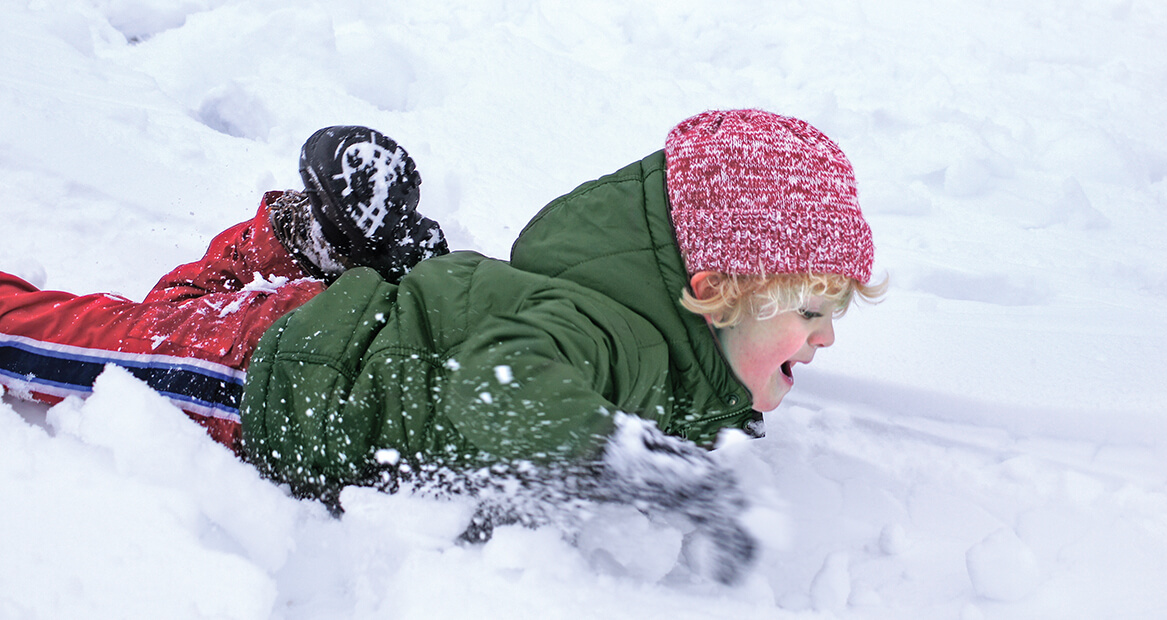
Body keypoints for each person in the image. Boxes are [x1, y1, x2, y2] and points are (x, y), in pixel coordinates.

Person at [0, 110, 883, 584]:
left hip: (347, 335)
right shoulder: (607, 334)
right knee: (88, 353)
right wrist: (643, 468)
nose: (825, 334)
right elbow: (504, 390)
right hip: (283, 376)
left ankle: (303, 242)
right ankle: (301, 251)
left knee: (167, 313)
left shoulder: (660, 351)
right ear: (717, 292)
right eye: (808, 309)